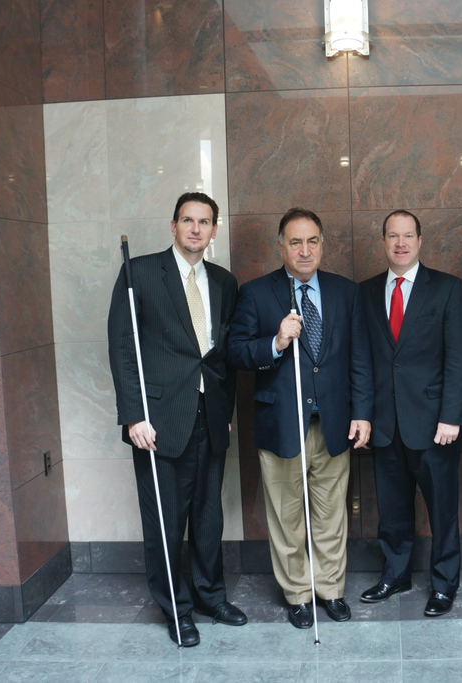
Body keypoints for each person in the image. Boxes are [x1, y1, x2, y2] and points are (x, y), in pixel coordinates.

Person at [107, 192, 247, 647]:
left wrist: (222, 408)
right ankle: (176, 608)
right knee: (166, 521)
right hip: (158, 421)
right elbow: (123, 348)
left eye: (204, 222)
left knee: (209, 517)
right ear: (173, 226)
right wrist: (133, 416)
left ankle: (210, 596)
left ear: (213, 230)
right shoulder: (140, 273)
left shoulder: (224, 282)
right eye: (187, 220)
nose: (195, 229)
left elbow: (220, 355)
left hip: (210, 416)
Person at [227, 207, 373, 629]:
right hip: (281, 425)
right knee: (287, 516)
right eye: (295, 242)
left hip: (333, 424)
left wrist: (362, 413)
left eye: (312, 241)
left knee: (331, 514)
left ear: (322, 244)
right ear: (281, 246)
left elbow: (359, 358)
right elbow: (236, 351)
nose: (304, 250)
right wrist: (274, 341)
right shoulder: (257, 293)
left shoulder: (346, 292)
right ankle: (297, 593)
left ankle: (329, 589)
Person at [357, 210, 462, 617]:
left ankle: (444, 585)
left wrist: (451, 416)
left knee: (442, 510)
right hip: (386, 424)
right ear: (383, 241)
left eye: (408, 236)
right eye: (393, 235)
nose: (401, 243)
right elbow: (364, 360)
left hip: (434, 424)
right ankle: (396, 574)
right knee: (391, 509)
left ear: (421, 241)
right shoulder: (367, 292)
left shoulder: (447, 288)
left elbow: (460, 358)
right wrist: (364, 415)